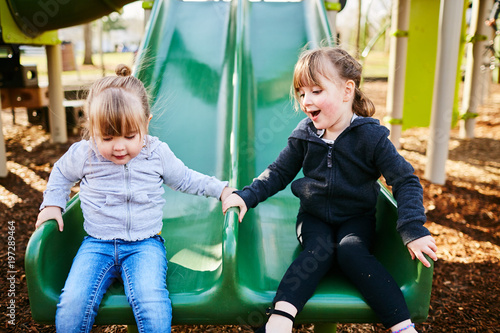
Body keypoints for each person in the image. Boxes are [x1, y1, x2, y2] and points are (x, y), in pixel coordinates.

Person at [222, 47, 438, 333]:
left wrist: (412, 229)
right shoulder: (304, 135)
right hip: (314, 218)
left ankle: (402, 326)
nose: (306, 101)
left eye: (316, 91)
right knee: (317, 249)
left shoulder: (371, 137)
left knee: (350, 250)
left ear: (347, 90)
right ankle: (280, 320)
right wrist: (247, 195)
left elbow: (405, 179)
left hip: (356, 219)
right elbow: (279, 172)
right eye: (301, 93)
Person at [35, 64, 234, 333]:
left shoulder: (156, 153)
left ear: (146, 123)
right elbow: (60, 174)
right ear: (91, 128)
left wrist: (221, 189)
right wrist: (52, 204)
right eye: (107, 137)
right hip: (97, 244)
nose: (119, 146)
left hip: (145, 245)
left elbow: (186, 179)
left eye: (130, 136)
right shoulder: (85, 154)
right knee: (72, 302)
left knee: (151, 301)